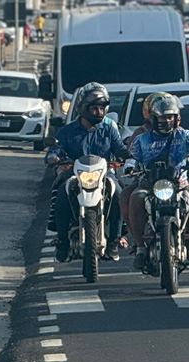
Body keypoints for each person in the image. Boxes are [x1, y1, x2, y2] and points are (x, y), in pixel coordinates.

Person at [47, 81, 130, 260]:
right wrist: (54, 156)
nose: (99, 112)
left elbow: (120, 148)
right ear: (83, 108)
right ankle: (62, 241)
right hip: (74, 173)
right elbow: (56, 149)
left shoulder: (109, 129)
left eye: (102, 108)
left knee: (119, 193)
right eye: (94, 108)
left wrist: (127, 154)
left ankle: (115, 239)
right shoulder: (67, 131)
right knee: (61, 191)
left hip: (104, 174)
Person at [125, 93, 189, 267]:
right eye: (162, 117)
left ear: (177, 118)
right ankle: (140, 248)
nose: (166, 121)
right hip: (149, 185)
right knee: (135, 198)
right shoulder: (142, 139)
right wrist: (130, 166)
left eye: (170, 117)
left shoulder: (185, 136)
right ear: (153, 118)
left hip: (180, 184)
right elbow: (132, 157)